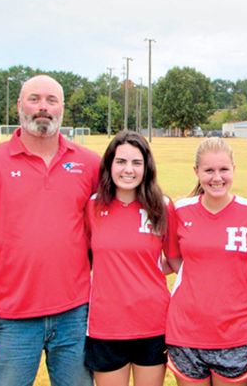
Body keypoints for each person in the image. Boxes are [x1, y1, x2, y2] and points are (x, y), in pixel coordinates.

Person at [0, 75, 99, 385]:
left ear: (62, 109)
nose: (43, 107)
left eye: (51, 100)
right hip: (12, 318)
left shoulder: (89, 163)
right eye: (34, 99)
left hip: (75, 315)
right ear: (19, 105)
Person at [165, 137, 247, 386]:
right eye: (209, 170)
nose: (217, 177)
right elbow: (176, 259)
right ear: (196, 171)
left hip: (236, 334)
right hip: (186, 333)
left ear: (234, 169)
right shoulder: (180, 210)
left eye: (224, 169)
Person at [84, 130, 175, 386]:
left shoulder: (162, 207)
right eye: (121, 161)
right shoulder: (92, 207)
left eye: (136, 162)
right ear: (109, 164)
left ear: (147, 167)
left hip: (153, 323)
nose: (128, 170)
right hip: (106, 325)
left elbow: (174, 259)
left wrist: (144, 268)